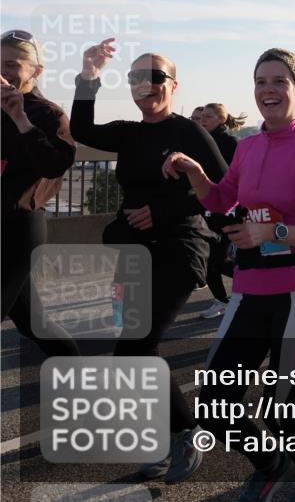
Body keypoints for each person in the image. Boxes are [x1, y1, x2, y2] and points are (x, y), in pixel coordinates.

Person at [164, 47, 295, 502]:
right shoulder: (248, 146)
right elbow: (221, 200)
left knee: (281, 408)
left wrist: (274, 231)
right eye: (261, 81)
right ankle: (268, 463)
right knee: (213, 402)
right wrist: (196, 171)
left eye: (279, 81)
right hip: (250, 289)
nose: (268, 90)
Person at [71, 37, 227, 483]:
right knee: (130, 352)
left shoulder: (189, 132)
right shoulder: (131, 132)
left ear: (174, 85)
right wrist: (88, 76)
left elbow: (222, 190)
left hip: (181, 246)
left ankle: (186, 434)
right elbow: (83, 131)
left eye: (155, 76)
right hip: (133, 249)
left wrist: (163, 210)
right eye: (137, 76)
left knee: (138, 343)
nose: (145, 83)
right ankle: (167, 438)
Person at [1, 30, 80, 358]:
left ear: (36, 70)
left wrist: (20, 118)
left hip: (18, 228)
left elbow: (55, 165)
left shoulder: (47, 113)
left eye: (12, 64)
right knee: (35, 323)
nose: (3, 73)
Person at [198, 102, 247, 318]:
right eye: (201, 117)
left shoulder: (230, 142)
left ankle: (251, 283)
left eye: (208, 116)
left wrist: (242, 209)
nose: (203, 120)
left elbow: (241, 177)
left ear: (220, 118)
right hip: (208, 209)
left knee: (213, 260)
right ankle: (223, 298)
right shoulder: (202, 141)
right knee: (211, 260)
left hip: (229, 210)